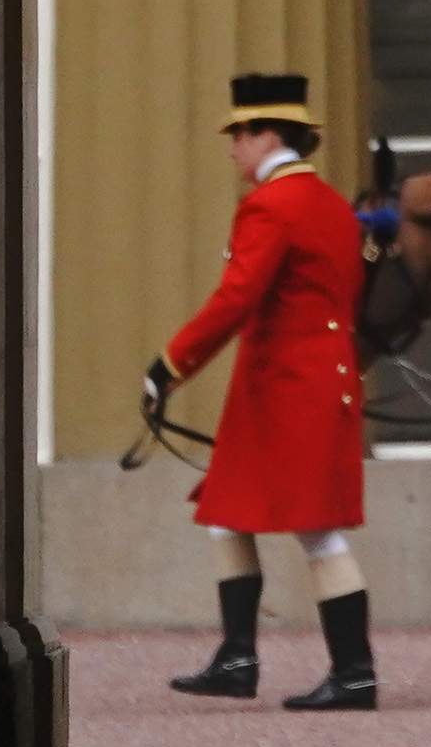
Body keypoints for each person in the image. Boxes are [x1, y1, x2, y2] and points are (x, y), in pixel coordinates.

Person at [145, 71, 386, 708]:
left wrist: (171, 364)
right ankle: (237, 657)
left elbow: (235, 299)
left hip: (287, 389)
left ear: (266, 134)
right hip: (307, 383)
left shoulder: (270, 205)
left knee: (317, 532)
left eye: (239, 134)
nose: (232, 148)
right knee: (226, 513)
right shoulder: (333, 205)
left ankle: (354, 673)